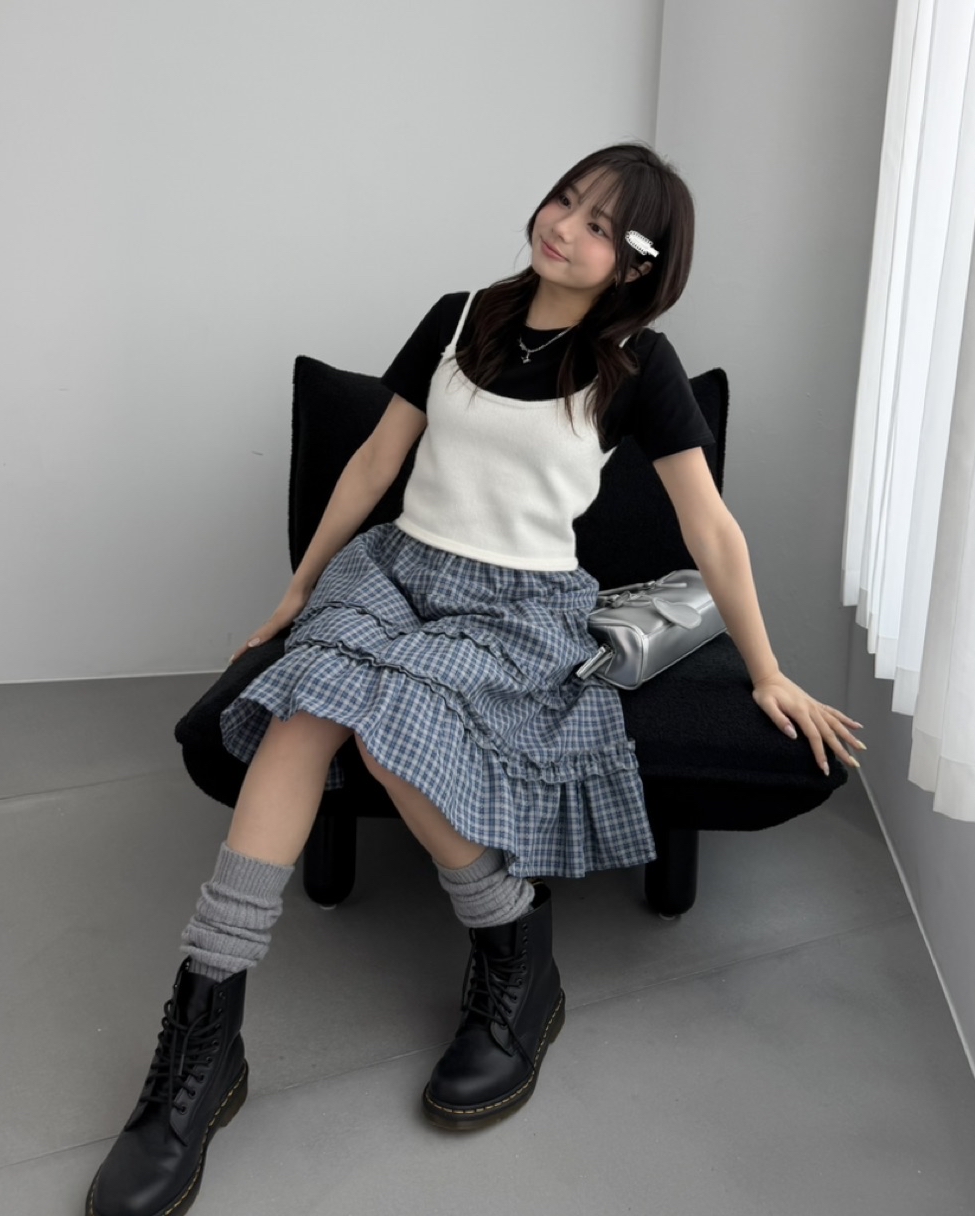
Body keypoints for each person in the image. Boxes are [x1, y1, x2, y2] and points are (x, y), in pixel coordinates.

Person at [85, 141, 864, 1216]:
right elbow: (376, 462)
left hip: (518, 605)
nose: (565, 227)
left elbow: (709, 527)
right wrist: (299, 589)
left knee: (385, 725)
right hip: (397, 570)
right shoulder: (459, 317)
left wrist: (767, 670)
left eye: (601, 225)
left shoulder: (638, 364)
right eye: (566, 200)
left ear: (638, 263)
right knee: (305, 708)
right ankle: (203, 1038)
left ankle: (515, 955)